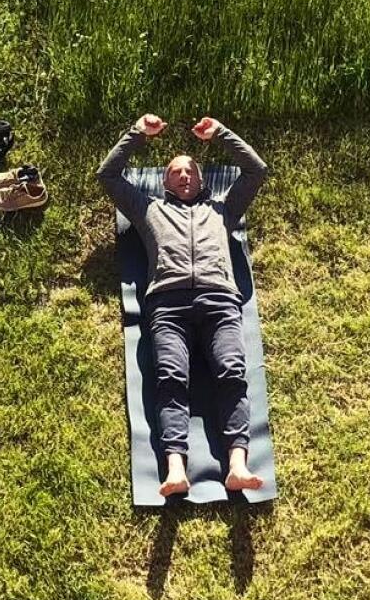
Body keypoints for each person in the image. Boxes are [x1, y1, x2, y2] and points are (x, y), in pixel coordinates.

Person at [98, 113, 268, 499]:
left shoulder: (223, 210)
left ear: (203, 180)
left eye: (191, 171)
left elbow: (255, 171)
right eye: (175, 172)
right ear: (163, 181)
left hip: (220, 300)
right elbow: (107, 176)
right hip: (168, 306)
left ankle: (238, 465)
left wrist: (220, 135)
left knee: (231, 371)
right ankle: (176, 469)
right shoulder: (148, 210)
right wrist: (137, 134)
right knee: (171, 379)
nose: (185, 175)